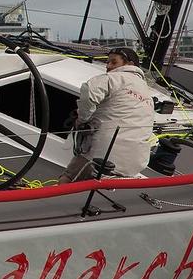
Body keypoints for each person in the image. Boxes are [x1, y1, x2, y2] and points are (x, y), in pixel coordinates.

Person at [58, 47, 155, 183]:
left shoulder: (114, 78)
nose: (108, 66)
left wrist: (82, 120)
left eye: (114, 62)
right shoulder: (147, 93)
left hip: (101, 154)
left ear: (130, 65)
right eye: (107, 63)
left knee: (67, 179)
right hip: (133, 164)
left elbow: (88, 92)